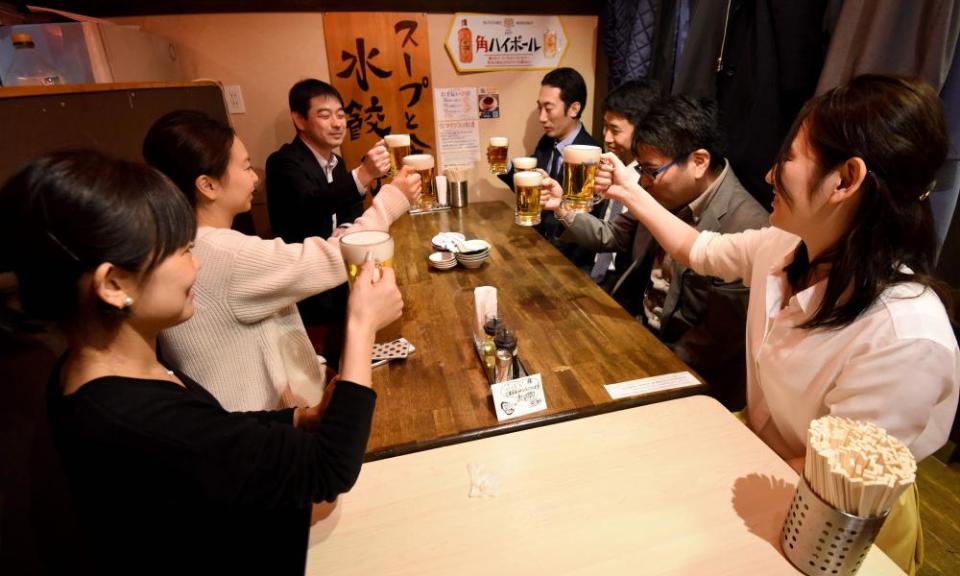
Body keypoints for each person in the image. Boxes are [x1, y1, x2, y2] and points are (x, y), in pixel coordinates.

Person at [594, 75, 959, 574]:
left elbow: (827, 476)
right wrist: (631, 191)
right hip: (758, 461)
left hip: (834, 531)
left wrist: (694, 486)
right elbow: (698, 249)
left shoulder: (904, 337)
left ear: (846, 180)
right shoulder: (782, 246)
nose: (768, 175)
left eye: (787, 158)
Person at [0, 150, 403, 575]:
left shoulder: (93, 369)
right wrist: (361, 325)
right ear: (114, 284)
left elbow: (212, 431)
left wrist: (300, 419)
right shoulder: (127, 419)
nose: (196, 265)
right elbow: (330, 467)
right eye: (181, 251)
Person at [143, 110, 419, 411]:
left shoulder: (186, 244)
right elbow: (333, 258)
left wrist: (318, 372)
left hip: (266, 417)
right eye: (246, 168)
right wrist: (394, 199)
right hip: (265, 433)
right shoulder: (221, 253)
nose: (254, 177)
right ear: (208, 185)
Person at [544, 95, 769, 409]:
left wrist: (643, 364)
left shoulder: (748, 226)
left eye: (651, 171)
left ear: (699, 161)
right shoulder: (660, 189)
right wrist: (563, 208)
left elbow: (718, 341)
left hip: (693, 379)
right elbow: (613, 236)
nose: (644, 182)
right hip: (639, 334)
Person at [266, 78, 392, 330]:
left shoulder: (336, 162)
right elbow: (311, 203)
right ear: (299, 120)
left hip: (340, 276)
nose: (337, 123)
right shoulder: (283, 162)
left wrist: (346, 229)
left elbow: (350, 207)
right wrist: (364, 174)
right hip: (309, 291)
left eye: (340, 115)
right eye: (325, 115)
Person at [498, 67, 603, 270]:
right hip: (538, 251)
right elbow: (531, 190)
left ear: (574, 108)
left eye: (549, 108)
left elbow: (588, 224)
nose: (542, 118)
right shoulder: (547, 142)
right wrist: (504, 166)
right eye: (539, 108)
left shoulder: (590, 154)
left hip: (569, 263)